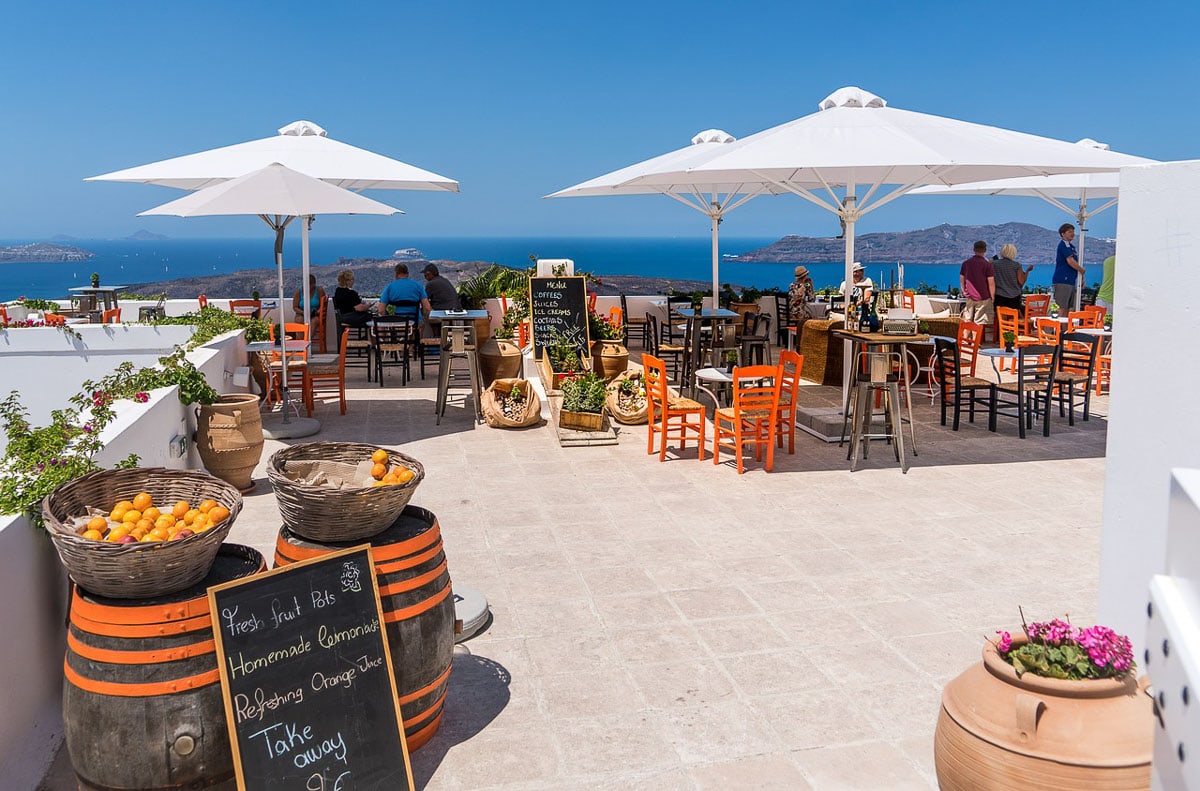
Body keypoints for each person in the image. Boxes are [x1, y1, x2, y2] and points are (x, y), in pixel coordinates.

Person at [960, 240, 995, 326]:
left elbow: (962, 278)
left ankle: (965, 339)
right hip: (983, 297)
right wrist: (992, 296)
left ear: (974, 249)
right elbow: (991, 282)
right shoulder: (987, 265)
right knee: (979, 323)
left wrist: (964, 291)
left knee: (967, 321)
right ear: (985, 250)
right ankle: (976, 339)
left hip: (969, 296)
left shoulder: (966, 263)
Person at [991, 244, 1033, 315]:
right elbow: (1021, 282)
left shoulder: (994, 264)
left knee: (1000, 317)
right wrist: (1027, 271)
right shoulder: (1016, 265)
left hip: (999, 295)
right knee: (1013, 316)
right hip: (1014, 297)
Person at [1053, 223, 1083, 311]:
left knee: (1068, 308)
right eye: (1069, 232)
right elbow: (1070, 261)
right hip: (1063, 280)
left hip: (1071, 281)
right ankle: (1058, 325)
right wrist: (1082, 270)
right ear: (1063, 234)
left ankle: (1065, 325)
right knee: (1061, 308)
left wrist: (1081, 276)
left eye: (1073, 232)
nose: (1072, 234)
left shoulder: (1071, 247)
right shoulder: (1063, 245)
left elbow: (1075, 262)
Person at [1097, 252, 1116, 318]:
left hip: (1102, 297)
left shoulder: (1107, 261)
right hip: (1113, 299)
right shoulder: (1121, 263)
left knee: (1100, 324)